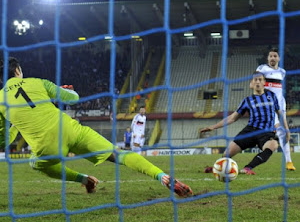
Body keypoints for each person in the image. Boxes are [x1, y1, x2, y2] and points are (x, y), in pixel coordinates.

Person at [0, 57, 193, 198]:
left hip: (47, 146)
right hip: (72, 130)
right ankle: (162, 177)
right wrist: (66, 91)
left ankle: (85, 180)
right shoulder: (38, 82)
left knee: (34, 163)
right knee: (119, 154)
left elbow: (4, 141)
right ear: (18, 70)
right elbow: (74, 99)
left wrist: (15, 124)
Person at [201, 72, 290, 175]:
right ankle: (218, 168)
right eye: (255, 80)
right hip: (250, 130)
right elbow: (232, 118)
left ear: (264, 82)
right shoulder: (247, 101)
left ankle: (248, 168)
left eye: (260, 80)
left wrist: (287, 130)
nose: (258, 82)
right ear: (251, 83)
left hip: (266, 133)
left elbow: (280, 114)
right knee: (227, 153)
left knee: (273, 145)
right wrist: (213, 127)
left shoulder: (271, 96)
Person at [255, 48, 295, 171]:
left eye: (275, 56)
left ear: (279, 58)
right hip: (267, 106)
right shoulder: (262, 69)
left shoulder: (282, 72)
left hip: (280, 106)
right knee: (279, 132)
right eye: (270, 56)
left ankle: (289, 162)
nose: (272, 58)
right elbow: (256, 82)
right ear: (268, 58)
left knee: (282, 132)